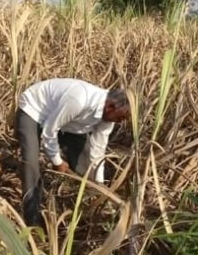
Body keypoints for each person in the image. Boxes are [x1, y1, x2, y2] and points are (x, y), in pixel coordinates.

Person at [12, 78, 130, 227]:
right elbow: (50, 130)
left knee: (86, 165)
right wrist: (57, 162)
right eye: (120, 118)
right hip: (35, 110)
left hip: (68, 124)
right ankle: (33, 220)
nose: (119, 122)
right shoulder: (79, 100)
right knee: (31, 163)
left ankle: (84, 214)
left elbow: (98, 150)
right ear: (111, 107)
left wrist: (99, 185)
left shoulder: (108, 118)